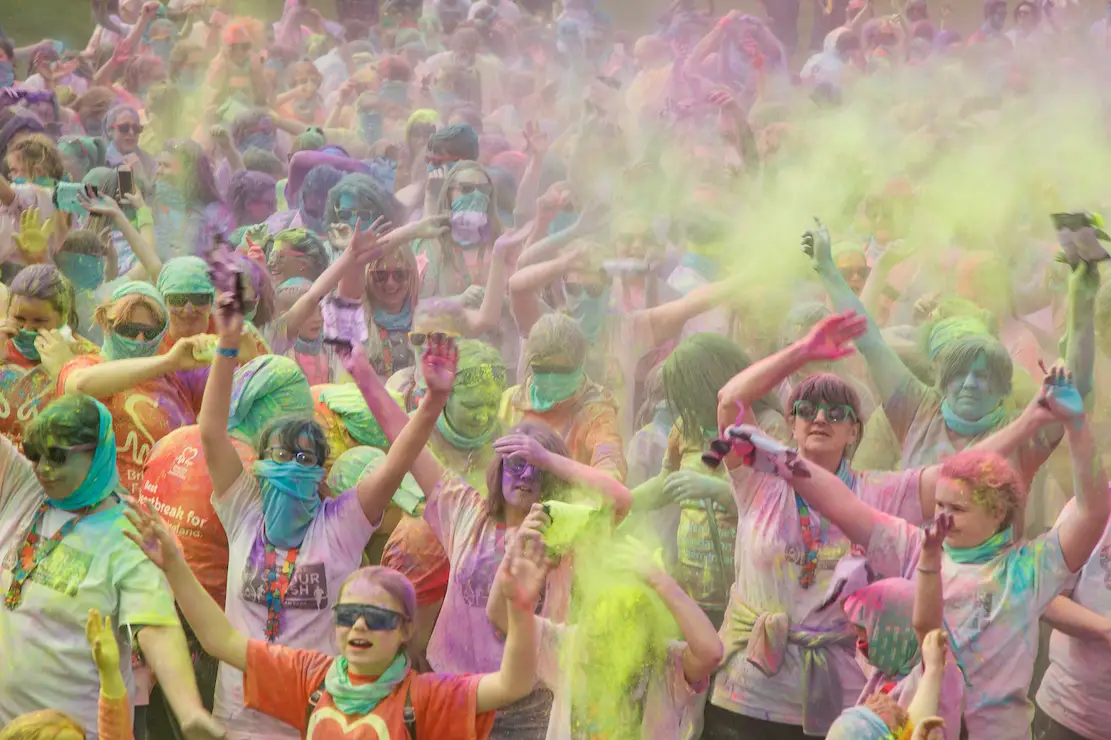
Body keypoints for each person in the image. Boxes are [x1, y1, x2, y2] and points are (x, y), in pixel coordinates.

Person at [722, 364, 1108, 738]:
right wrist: (783, 460)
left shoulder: (1031, 570)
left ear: (997, 512)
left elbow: (1093, 510)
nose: (941, 517)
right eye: (938, 506)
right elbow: (842, 503)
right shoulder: (916, 547)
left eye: (956, 509)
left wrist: (1076, 425)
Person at [199, 289, 461, 739]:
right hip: (234, 722)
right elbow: (210, 432)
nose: (291, 466)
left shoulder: (339, 525)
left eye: (305, 460)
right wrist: (226, 344)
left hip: (314, 721)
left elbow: (398, 462)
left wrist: (434, 403)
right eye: (280, 455)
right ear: (259, 464)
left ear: (321, 471)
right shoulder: (243, 509)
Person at [123, 497, 542, 740]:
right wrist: (174, 565)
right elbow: (221, 641)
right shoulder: (312, 676)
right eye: (349, 615)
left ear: (405, 631)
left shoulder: (424, 697)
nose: (359, 626)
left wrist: (520, 610)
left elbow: (512, 684)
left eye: (376, 618)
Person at [0, 393, 219, 736]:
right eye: (35, 454)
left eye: (57, 456)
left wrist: (188, 708)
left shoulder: (130, 531)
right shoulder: (22, 486)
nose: (43, 468)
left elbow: (155, 626)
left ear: (98, 451)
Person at [486, 529, 723, 739]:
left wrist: (659, 580)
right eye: (601, 602)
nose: (608, 622)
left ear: (647, 617)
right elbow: (499, 615)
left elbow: (711, 652)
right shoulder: (569, 645)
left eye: (628, 612)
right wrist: (516, 588)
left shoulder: (666, 665)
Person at [0, 265, 97, 447]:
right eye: (19, 319)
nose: (27, 329)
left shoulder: (87, 356)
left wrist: (67, 369)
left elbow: (90, 428)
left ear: (64, 318)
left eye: (39, 322)